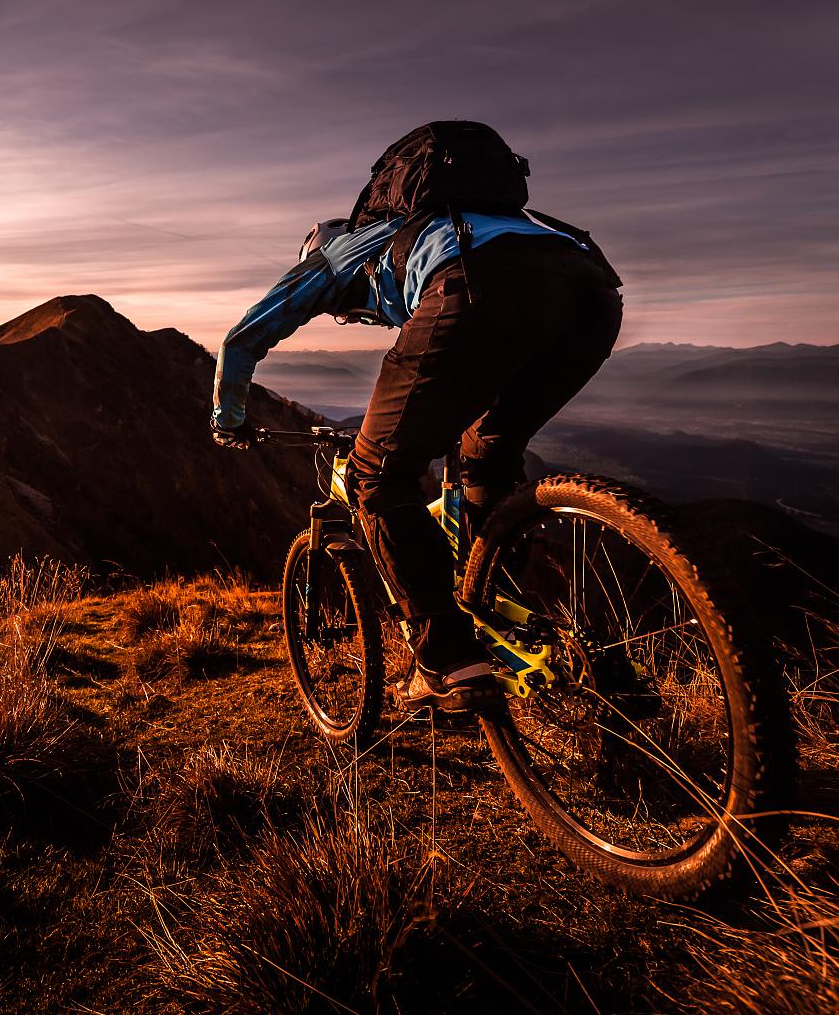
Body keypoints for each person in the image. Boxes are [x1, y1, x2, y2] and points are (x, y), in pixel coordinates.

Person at [210, 121, 623, 712]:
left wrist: (228, 419)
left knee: (375, 475)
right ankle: (502, 609)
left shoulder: (339, 251)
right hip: (592, 293)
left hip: (473, 286)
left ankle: (445, 660)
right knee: (488, 458)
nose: (350, 319)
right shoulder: (463, 222)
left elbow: (243, 339)